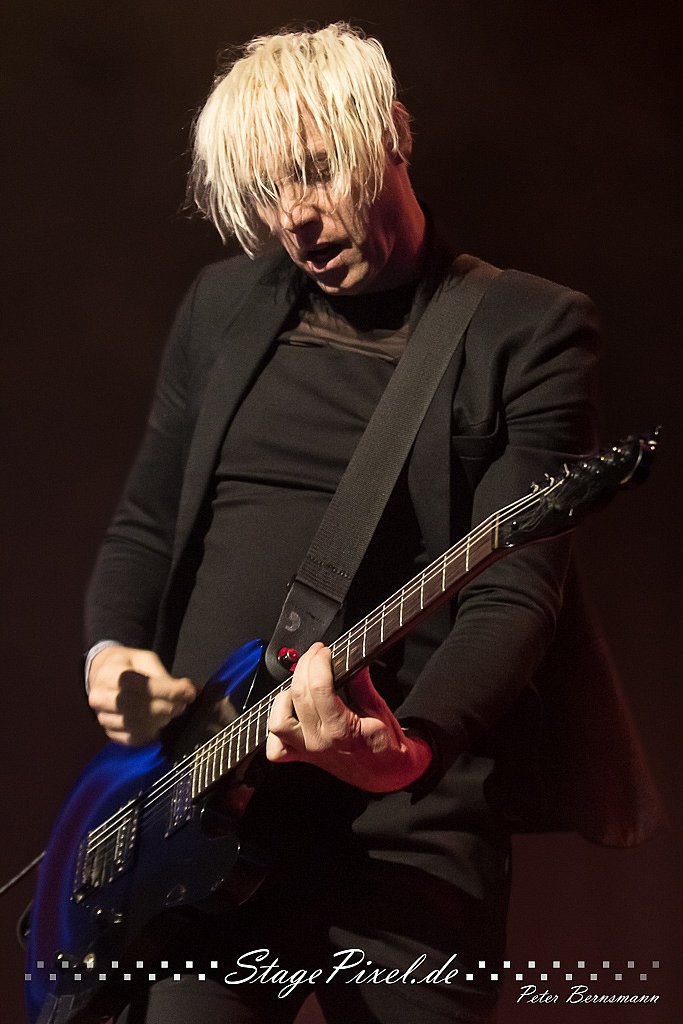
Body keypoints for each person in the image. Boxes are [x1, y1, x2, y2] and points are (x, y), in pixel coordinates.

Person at [83, 22, 661, 1024]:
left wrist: (410, 749)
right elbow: (145, 521)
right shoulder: (220, 307)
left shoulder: (526, 329)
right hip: (202, 815)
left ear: (392, 132)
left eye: (314, 172)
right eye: (265, 191)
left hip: (407, 832)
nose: (292, 217)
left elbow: (516, 588)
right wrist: (112, 651)